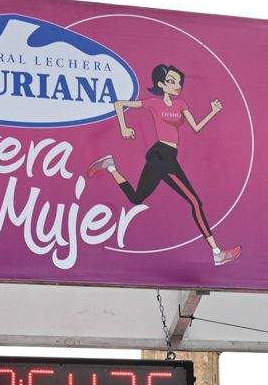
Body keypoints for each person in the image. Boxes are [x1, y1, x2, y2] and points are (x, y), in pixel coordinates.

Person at [87, 64, 240, 266]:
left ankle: (110, 166)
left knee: (136, 198)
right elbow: (119, 104)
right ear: (161, 84)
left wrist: (213, 112)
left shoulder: (181, 104)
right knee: (195, 202)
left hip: (166, 156)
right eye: (171, 81)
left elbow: (196, 128)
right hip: (161, 155)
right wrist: (124, 127)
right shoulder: (153, 103)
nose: (176, 85)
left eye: (178, 82)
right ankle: (217, 253)